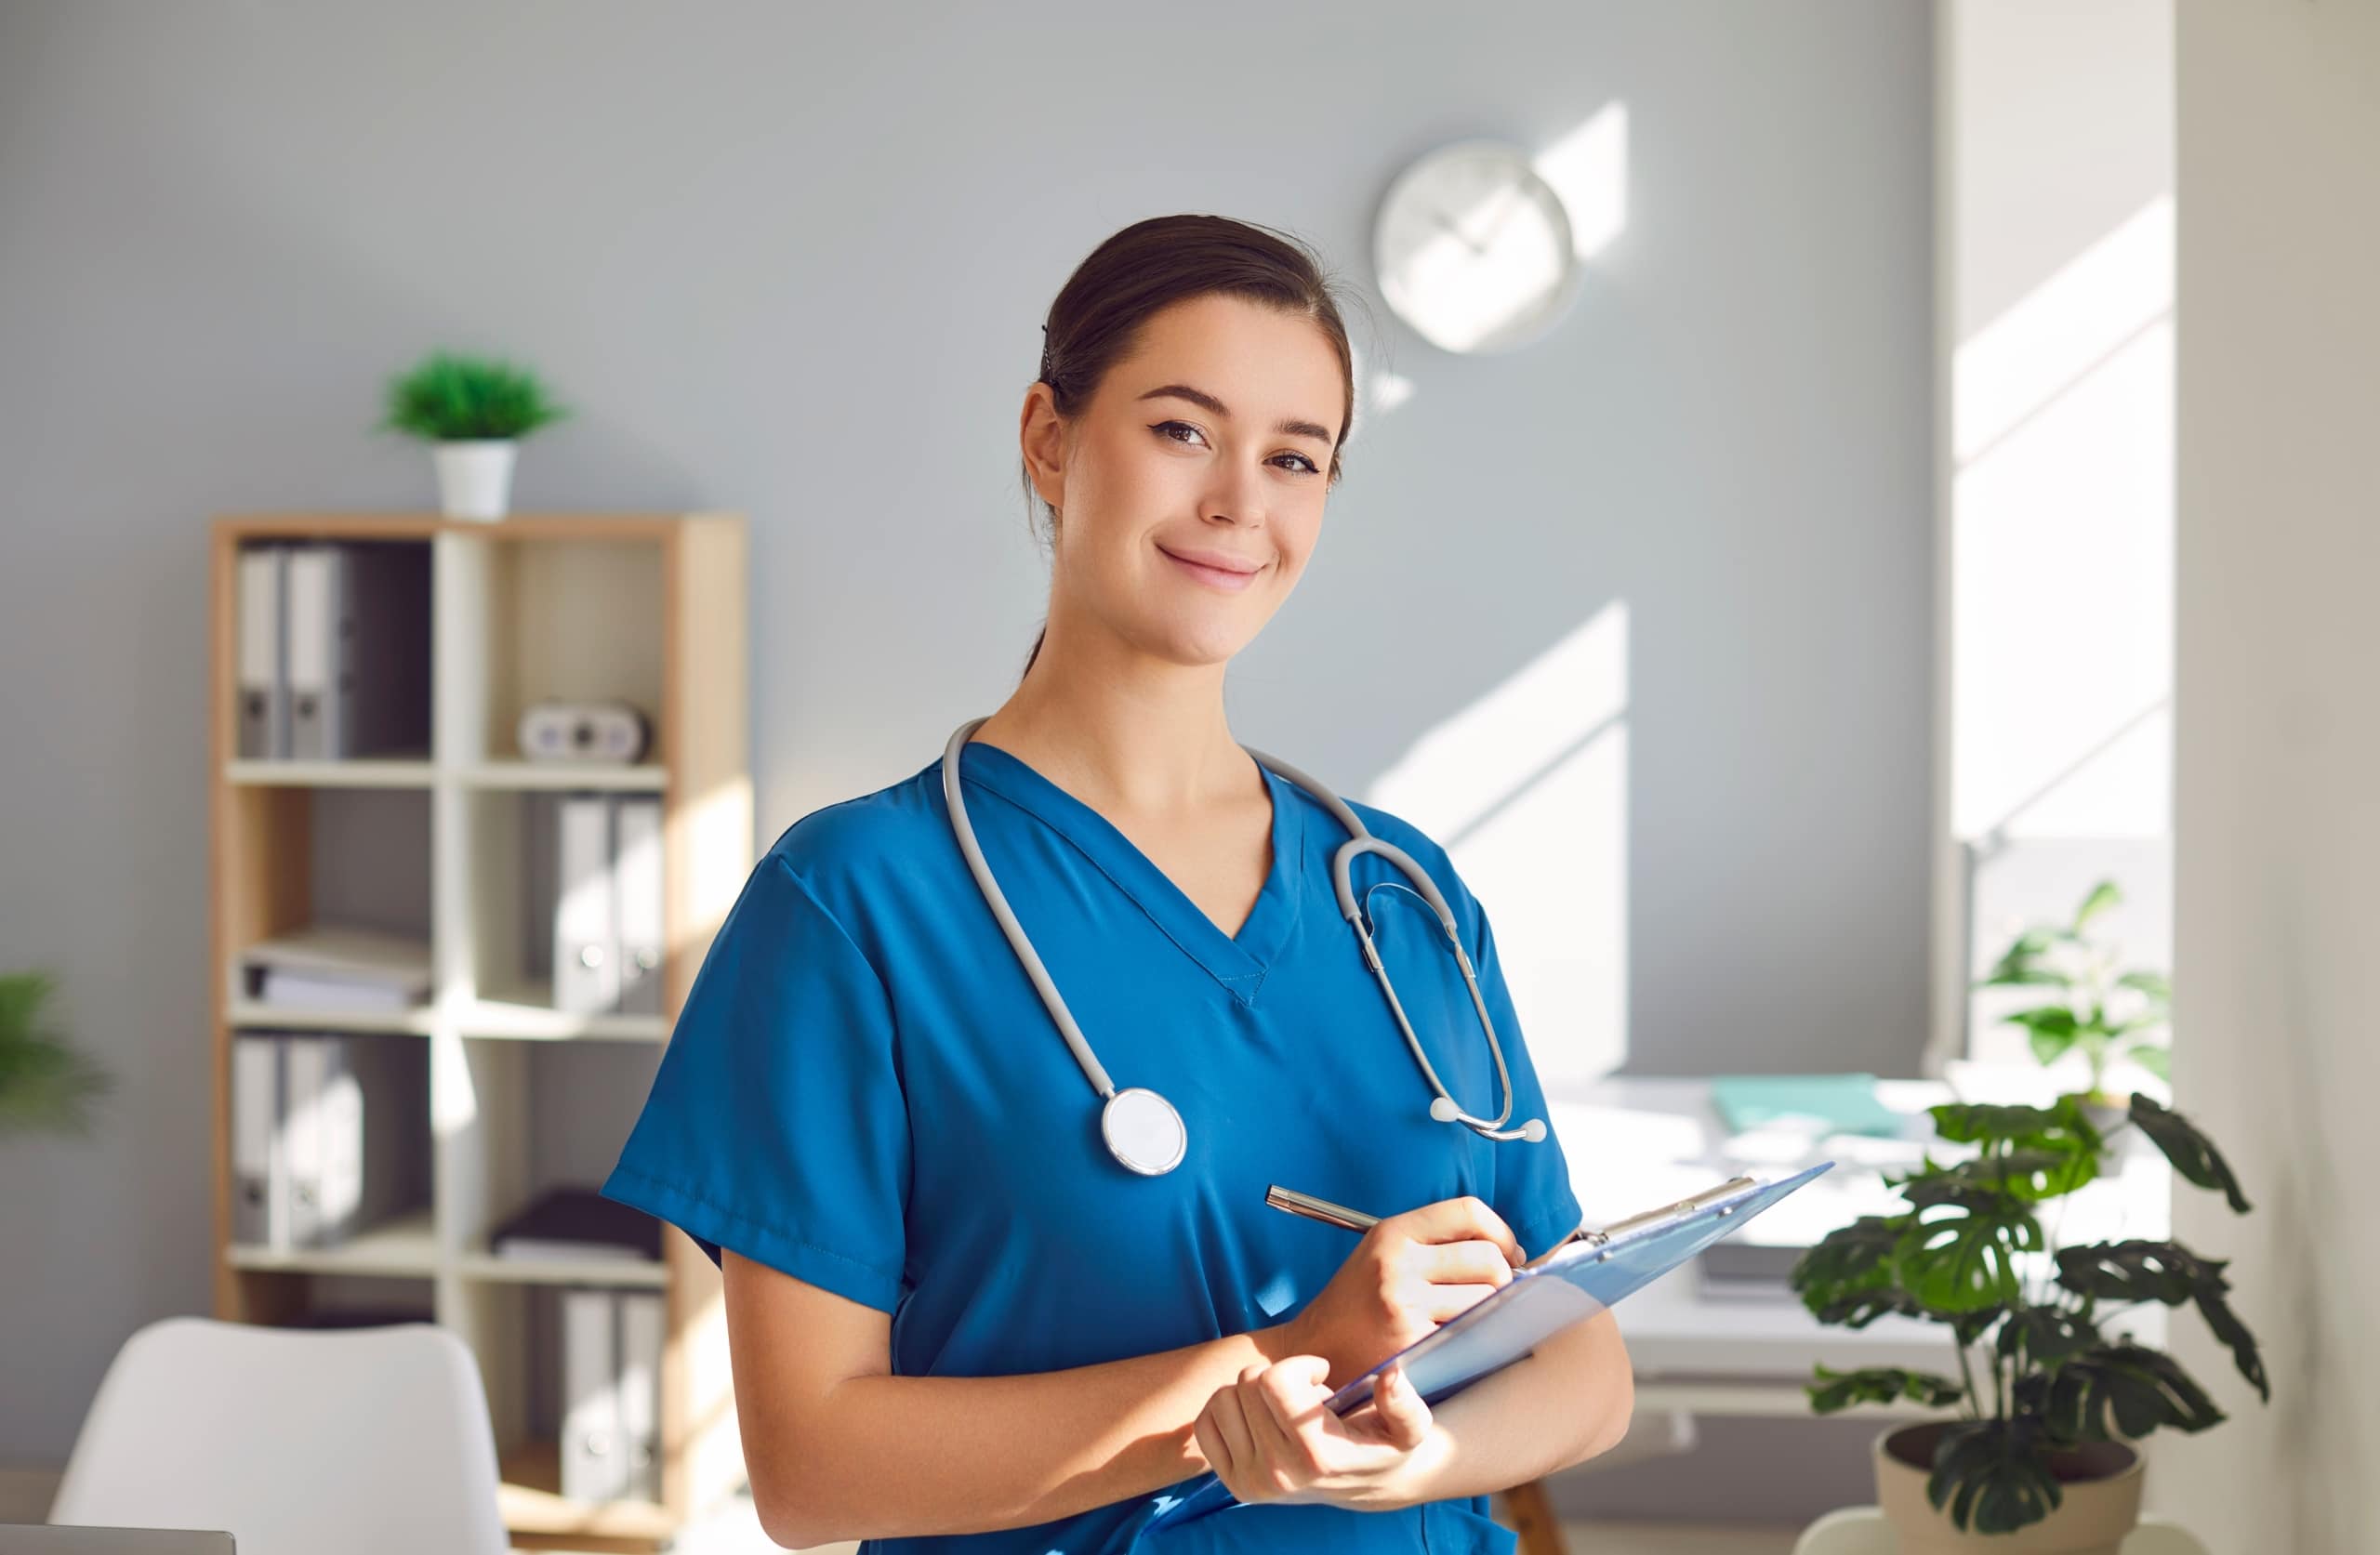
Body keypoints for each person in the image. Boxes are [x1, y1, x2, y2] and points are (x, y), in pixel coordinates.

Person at [601, 213, 1633, 1555]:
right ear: (1050, 436)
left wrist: (1419, 1457)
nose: (1240, 505)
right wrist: (1284, 1357)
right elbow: (809, 1469)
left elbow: (1584, 1365)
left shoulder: (1400, 893)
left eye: (1295, 457)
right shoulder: (855, 904)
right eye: (1183, 430)